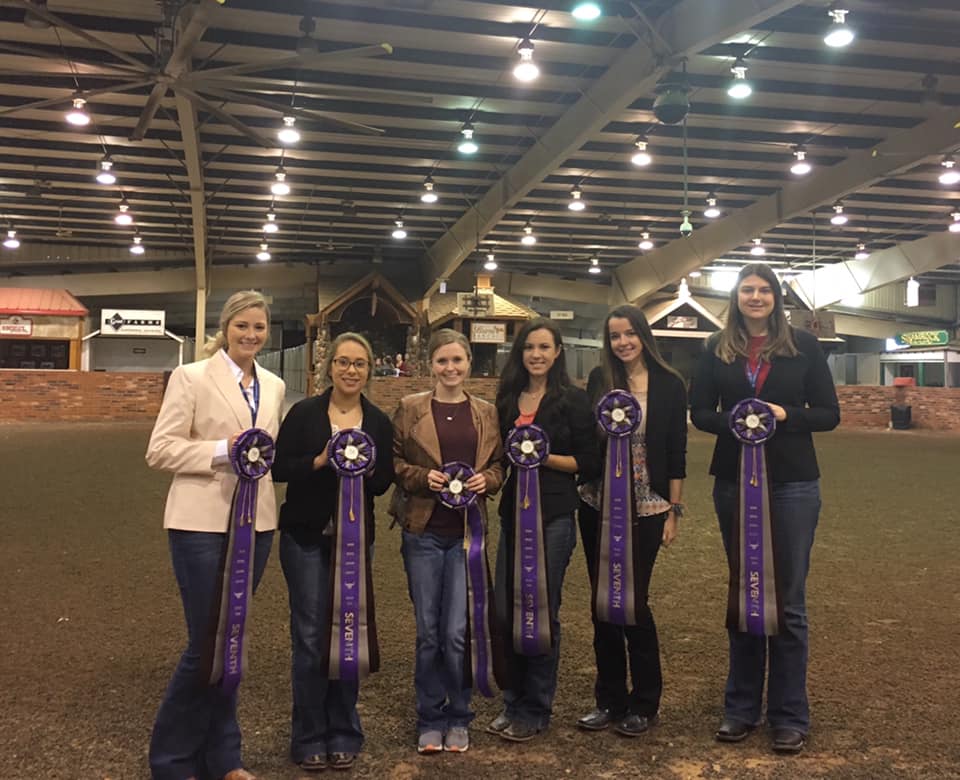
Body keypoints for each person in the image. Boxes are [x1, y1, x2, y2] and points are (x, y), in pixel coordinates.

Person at [690, 263, 840, 755]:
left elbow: (828, 414)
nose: (755, 297)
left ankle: (789, 715)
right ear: (735, 298)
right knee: (744, 594)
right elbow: (700, 412)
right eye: (747, 290)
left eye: (764, 290)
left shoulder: (805, 346)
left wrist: (782, 415)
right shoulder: (715, 348)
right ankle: (740, 708)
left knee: (789, 602)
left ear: (776, 297)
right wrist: (736, 423)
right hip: (734, 482)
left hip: (794, 483)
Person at [145, 290, 285, 780]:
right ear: (226, 328)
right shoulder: (191, 377)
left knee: (232, 641)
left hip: (258, 525)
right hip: (200, 524)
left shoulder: (274, 384)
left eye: (260, 327)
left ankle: (225, 757)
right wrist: (223, 451)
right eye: (242, 326)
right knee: (207, 643)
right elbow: (160, 450)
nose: (251, 335)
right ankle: (171, 759)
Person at [271, 332, 394, 773]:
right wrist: (321, 461)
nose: (350, 370)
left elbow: (383, 483)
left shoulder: (378, 421)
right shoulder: (304, 414)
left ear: (370, 369)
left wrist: (370, 467)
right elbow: (278, 468)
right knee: (308, 639)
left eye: (359, 363)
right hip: (304, 538)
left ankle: (344, 731)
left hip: (356, 541)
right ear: (330, 368)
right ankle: (307, 735)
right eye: (343, 362)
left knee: (349, 634)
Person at [576, 305, 687, 738]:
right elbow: (588, 439)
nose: (623, 342)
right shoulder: (600, 381)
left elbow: (676, 450)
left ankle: (644, 702)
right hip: (597, 503)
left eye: (629, 334)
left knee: (634, 603)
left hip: (648, 505)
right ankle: (609, 699)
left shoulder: (670, 385)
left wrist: (674, 511)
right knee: (603, 603)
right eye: (615, 336)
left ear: (643, 335)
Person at [392, 328, 504, 755]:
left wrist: (487, 479)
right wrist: (424, 477)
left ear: (469, 363)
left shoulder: (487, 413)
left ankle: (459, 715)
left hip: (466, 538)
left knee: (457, 633)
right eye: (442, 361)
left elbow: (498, 465)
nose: (450, 368)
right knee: (428, 633)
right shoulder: (409, 408)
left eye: (457, 360)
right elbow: (394, 461)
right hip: (422, 534)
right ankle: (429, 716)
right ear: (430, 365)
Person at [490, 318, 599, 742]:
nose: (536, 355)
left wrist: (542, 458)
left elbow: (590, 463)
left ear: (557, 353)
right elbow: (499, 456)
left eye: (544, 348)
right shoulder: (506, 399)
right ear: (521, 353)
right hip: (511, 517)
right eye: (529, 348)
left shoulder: (572, 401)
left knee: (539, 610)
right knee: (504, 610)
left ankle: (536, 707)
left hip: (553, 517)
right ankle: (511, 699)